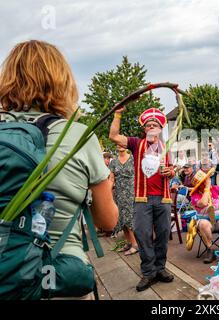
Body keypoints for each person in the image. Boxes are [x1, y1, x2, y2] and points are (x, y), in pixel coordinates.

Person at [0, 40, 118, 299]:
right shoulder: (78, 135)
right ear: (61, 81)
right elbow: (107, 222)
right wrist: (105, 184)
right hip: (59, 276)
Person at [109, 107, 176, 292]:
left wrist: (171, 172)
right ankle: (148, 272)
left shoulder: (167, 147)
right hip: (142, 198)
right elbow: (113, 135)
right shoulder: (136, 143)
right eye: (148, 124)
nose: (152, 126)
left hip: (163, 199)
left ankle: (160, 269)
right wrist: (118, 114)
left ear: (160, 129)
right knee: (142, 234)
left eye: (155, 124)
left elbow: (172, 171)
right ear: (144, 129)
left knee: (162, 235)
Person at [109, 145, 139, 255]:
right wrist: (108, 193)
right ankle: (129, 242)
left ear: (126, 145)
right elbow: (111, 179)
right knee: (121, 218)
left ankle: (135, 244)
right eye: (117, 144)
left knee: (129, 218)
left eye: (122, 143)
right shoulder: (113, 162)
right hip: (119, 193)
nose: (120, 146)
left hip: (132, 192)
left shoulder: (133, 159)